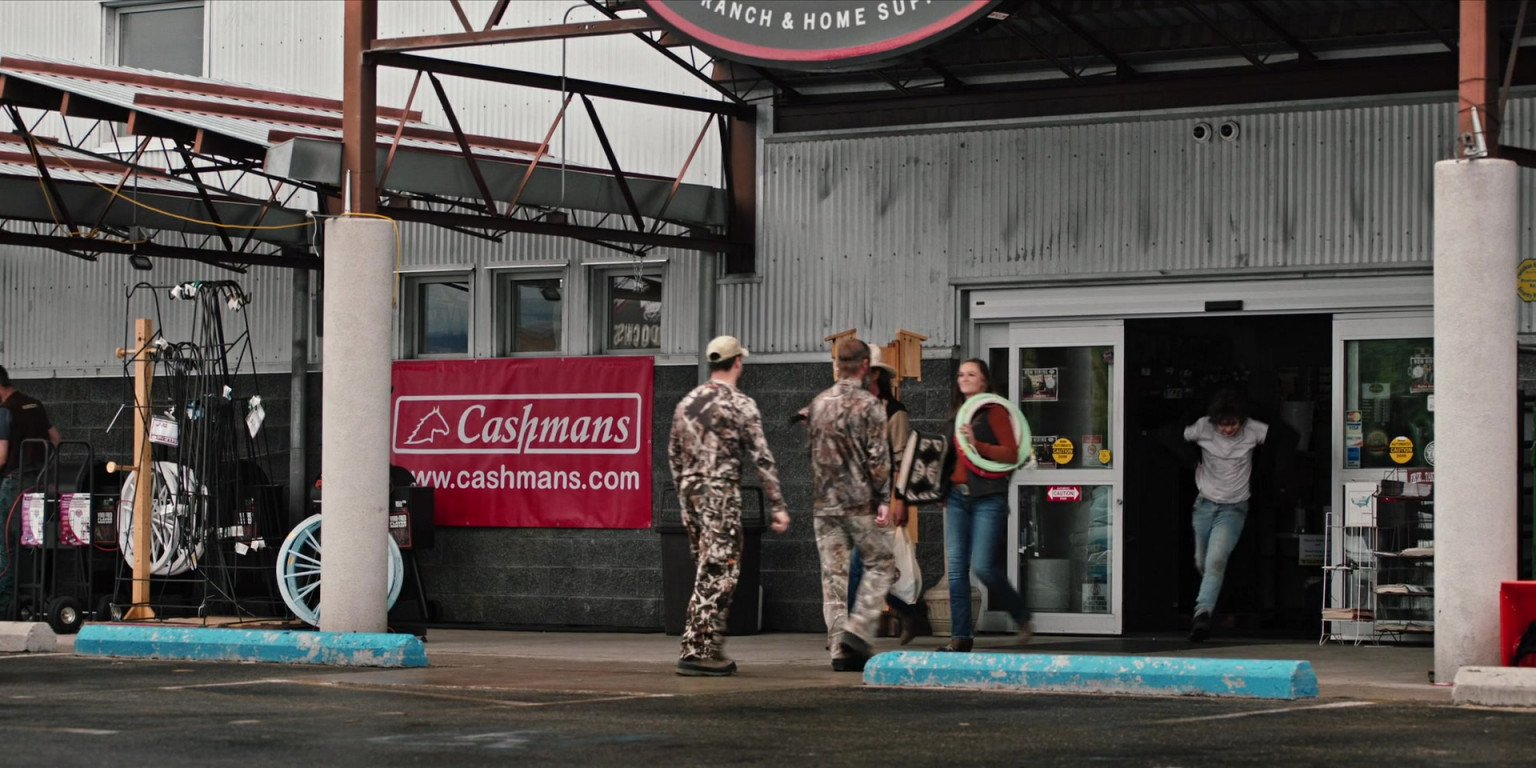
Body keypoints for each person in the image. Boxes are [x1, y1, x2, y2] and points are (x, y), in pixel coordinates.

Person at [667, 336, 790, 677]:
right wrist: (777, 504)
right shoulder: (741, 404)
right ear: (738, 362)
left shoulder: (687, 402)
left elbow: (674, 454)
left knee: (708, 568)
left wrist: (682, 497)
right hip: (720, 493)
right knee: (719, 572)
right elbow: (762, 458)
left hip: (691, 491)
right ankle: (696, 651)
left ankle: (711, 643)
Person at [806, 339, 893, 671]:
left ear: (839, 365)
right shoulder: (871, 405)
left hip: (824, 506)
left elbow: (813, 455)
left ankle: (839, 650)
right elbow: (879, 459)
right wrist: (883, 499)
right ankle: (858, 630)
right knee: (881, 563)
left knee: (833, 580)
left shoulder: (817, 404)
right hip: (859, 504)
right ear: (865, 366)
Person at [939, 359, 1031, 653]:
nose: (964, 378)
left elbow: (1011, 453)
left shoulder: (995, 412)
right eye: (960, 374)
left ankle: (1020, 614)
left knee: (983, 567)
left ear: (984, 382)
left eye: (971, 374)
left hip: (988, 497)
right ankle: (961, 636)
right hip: (956, 497)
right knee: (955, 569)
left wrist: (976, 444)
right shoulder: (956, 416)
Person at [847, 346, 931, 645]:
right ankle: (910, 613)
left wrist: (899, 502)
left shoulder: (895, 413)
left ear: (874, 373)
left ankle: (851, 634)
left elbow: (901, 462)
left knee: (859, 565)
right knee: (869, 566)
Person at [1182, 389, 1268, 642]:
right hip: (1204, 505)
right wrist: (1192, 461)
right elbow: (1177, 436)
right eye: (1223, 424)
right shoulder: (1202, 428)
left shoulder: (1255, 430)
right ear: (1214, 421)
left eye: (1233, 424)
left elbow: (1283, 439)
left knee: (1216, 561)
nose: (1228, 430)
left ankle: (1202, 615)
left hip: (1234, 507)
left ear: (1242, 421)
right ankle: (1211, 601)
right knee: (1202, 562)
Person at [0, 365, 63, 619]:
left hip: (13, 485)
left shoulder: (5, 411)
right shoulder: (35, 404)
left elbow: (1, 457)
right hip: (40, 483)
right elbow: (57, 441)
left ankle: (4, 606)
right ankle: (30, 600)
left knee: (5, 545)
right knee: (32, 545)